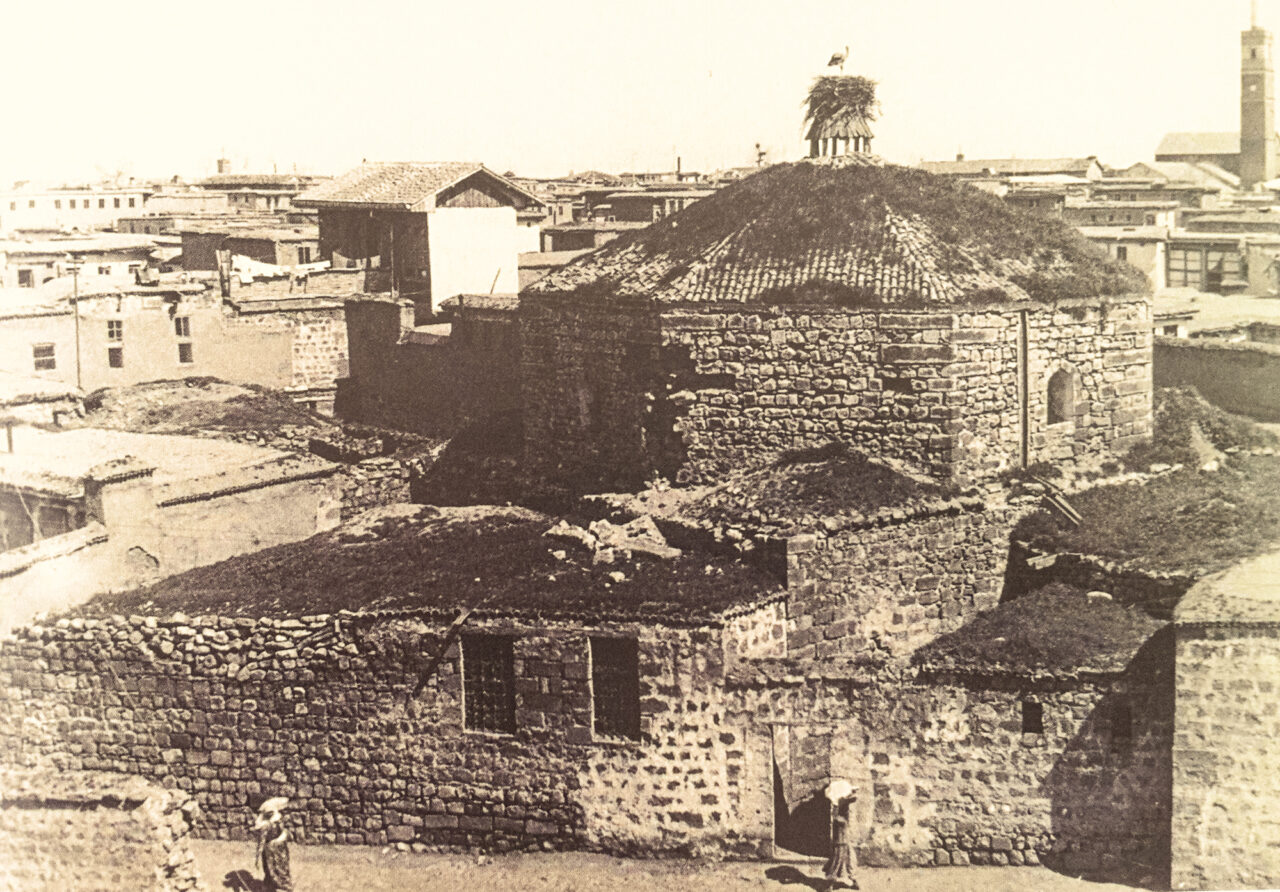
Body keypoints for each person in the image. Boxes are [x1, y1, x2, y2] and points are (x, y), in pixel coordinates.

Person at [823, 780, 858, 891]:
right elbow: (839, 821)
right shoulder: (838, 811)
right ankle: (830, 884)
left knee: (849, 859)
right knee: (838, 861)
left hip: (844, 841)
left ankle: (854, 879)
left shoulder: (844, 808)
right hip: (840, 842)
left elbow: (852, 799)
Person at [254, 796, 294, 892]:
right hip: (280, 849)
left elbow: (261, 842)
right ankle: (273, 886)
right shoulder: (279, 821)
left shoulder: (265, 825)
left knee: (272, 869)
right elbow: (286, 834)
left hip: (271, 851)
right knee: (280, 869)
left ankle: (279, 887)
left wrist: (257, 857)